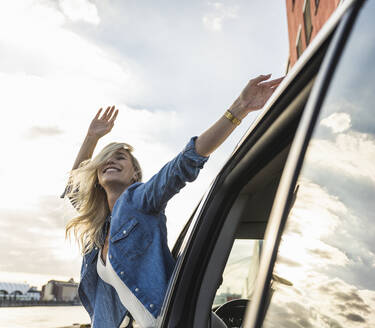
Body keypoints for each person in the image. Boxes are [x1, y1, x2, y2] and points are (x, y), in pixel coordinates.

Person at [62, 74, 283, 328]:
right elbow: (75, 189)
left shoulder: (139, 201)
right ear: (97, 176)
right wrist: (91, 137)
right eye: (106, 159)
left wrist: (239, 108)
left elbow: (184, 163)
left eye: (121, 157)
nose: (111, 161)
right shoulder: (99, 230)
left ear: (135, 173)